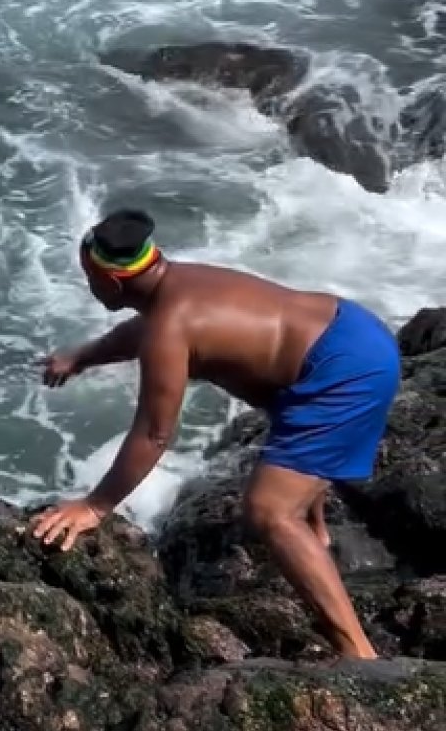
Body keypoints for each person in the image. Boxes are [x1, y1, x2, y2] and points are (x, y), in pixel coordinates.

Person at [28, 208, 400, 659]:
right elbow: (139, 330)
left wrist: (95, 505)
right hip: (349, 328)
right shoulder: (180, 283)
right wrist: (81, 357)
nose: (91, 288)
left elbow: (153, 434)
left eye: (89, 278)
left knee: (268, 511)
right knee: (290, 435)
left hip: (345, 371)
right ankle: (316, 536)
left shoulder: (170, 326)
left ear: (110, 282)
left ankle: (358, 651)